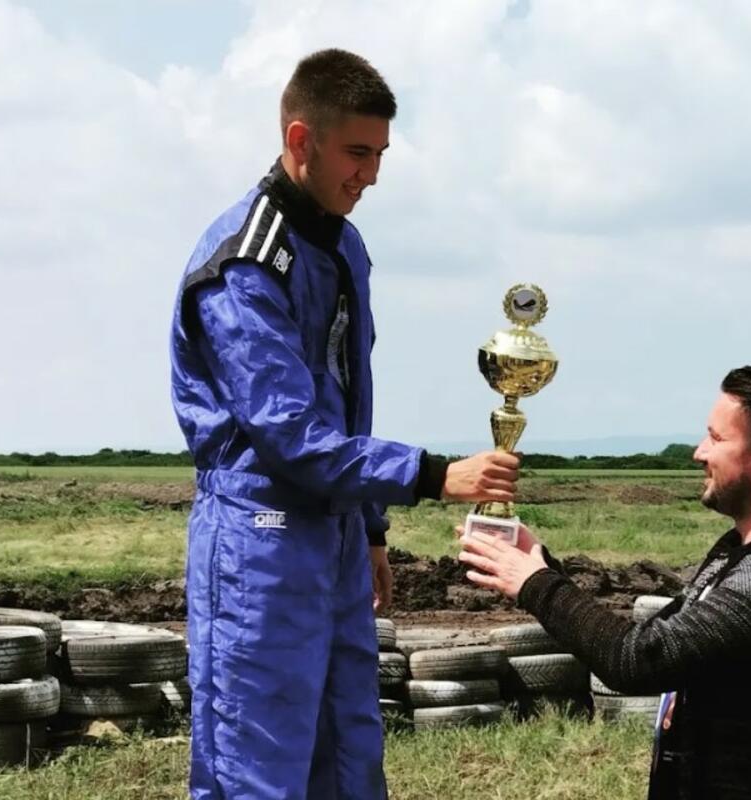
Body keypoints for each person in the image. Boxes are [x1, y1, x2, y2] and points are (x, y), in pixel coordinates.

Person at [169, 49, 519, 799]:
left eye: (381, 154)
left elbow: (348, 400)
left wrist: (370, 531)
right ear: (302, 140)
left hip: (335, 536)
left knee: (350, 750)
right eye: (358, 153)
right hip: (258, 542)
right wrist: (433, 475)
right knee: (256, 764)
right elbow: (289, 432)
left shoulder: (344, 243)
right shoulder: (246, 264)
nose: (372, 176)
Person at [459, 366, 751, 799]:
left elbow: (639, 659)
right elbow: (659, 638)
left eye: (716, 438)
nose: (699, 452)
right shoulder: (748, 555)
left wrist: (536, 583)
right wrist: (540, 563)